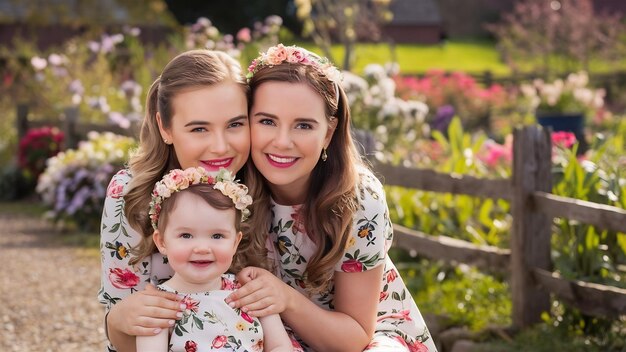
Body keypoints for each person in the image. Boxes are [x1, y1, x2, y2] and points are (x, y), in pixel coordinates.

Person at [225, 44, 438, 351]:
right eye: (267, 121)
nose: (282, 142)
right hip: (267, 330)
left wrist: (284, 297)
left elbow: (354, 337)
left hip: (359, 335)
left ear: (328, 132)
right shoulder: (230, 185)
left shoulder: (357, 197)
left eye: (303, 125)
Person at [99, 49, 250, 351]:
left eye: (235, 124)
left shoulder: (263, 179)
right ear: (165, 127)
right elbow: (121, 332)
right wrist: (118, 320)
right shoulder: (131, 193)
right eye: (198, 128)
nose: (221, 147)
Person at [134, 167, 293, 352]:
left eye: (217, 236)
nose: (202, 248)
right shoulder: (158, 305)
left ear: (235, 242)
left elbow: (280, 346)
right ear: (161, 242)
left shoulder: (249, 293)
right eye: (186, 235)